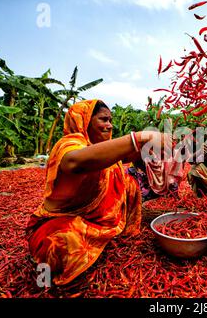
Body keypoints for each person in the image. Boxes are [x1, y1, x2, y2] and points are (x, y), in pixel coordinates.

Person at [26, 99, 170, 286]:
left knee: (129, 183)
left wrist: (159, 147)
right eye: (103, 119)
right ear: (84, 120)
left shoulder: (106, 147)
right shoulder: (68, 143)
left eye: (110, 120)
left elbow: (130, 155)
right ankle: (47, 275)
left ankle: (112, 232)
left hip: (95, 221)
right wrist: (138, 137)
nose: (109, 125)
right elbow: (74, 162)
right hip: (63, 220)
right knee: (61, 243)